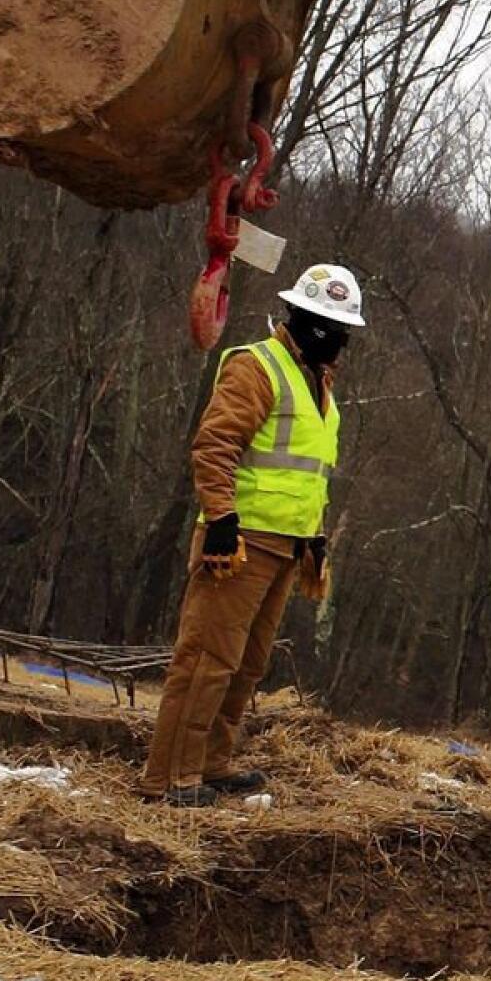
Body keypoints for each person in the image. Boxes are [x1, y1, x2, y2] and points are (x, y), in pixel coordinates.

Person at [137, 263, 364, 806]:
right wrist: (220, 519)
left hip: (286, 547)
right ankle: (171, 776)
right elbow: (215, 447)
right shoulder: (257, 367)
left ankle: (212, 763)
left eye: (344, 329)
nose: (339, 340)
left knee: (246, 665)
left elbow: (309, 473)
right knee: (205, 662)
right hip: (239, 544)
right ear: (305, 320)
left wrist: (313, 537)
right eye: (331, 327)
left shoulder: (320, 385)